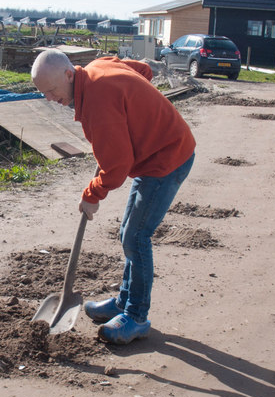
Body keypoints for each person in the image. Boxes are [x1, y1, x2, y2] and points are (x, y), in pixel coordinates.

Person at [30, 49, 196, 345]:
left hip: (167, 158)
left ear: (69, 74)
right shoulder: (97, 66)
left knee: (136, 237)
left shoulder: (97, 100)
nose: (50, 99)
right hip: (154, 153)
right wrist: (134, 107)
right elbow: (143, 71)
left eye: (52, 91)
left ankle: (136, 315)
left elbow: (117, 167)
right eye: (44, 93)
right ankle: (123, 301)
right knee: (128, 233)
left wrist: (91, 194)